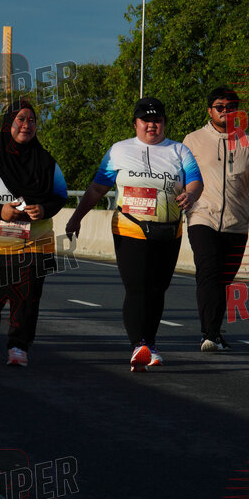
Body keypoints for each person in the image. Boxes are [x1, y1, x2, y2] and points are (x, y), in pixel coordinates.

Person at [66, 97, 203, 372]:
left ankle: (149, 345)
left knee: (158, 289)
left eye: (157, 120)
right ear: (135, 124)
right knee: (137, 286)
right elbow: (97, 188)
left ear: (164, 123)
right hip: (130, 228)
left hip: (169, 230)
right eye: (146, 120)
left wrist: (190, 194)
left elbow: (196, 182)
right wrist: (77, 216)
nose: (152, 125)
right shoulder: (119, 150)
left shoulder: (179, 150)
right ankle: (137, 344)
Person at [0, 100, 68, 367]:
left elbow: (60, 195)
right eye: (21, 119)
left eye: (31, 120)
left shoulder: (46, 161)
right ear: (8, 123)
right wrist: (0, 210)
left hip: (34, 241)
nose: (26, 125)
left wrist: (43, 209)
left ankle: (19, 346)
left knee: (28, 295)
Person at [183, 87, 249, 352]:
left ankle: (214, 332)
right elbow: (180, 174)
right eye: (220, 107)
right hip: (202, 217)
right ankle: (210, 333)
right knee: (209, 272)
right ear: (210, 110)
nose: (225, 111)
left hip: (236, 222)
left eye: (231, 107)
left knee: (224, 279)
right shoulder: (193, 140)